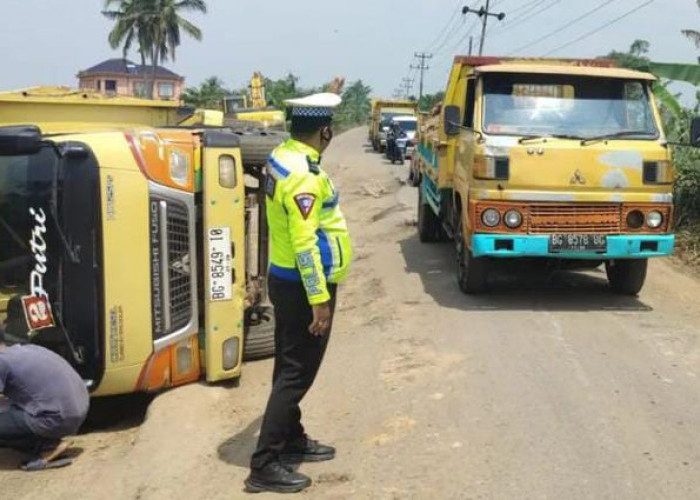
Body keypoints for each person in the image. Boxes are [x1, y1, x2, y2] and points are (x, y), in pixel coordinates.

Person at [245, 92, 352, 494]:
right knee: (296, 373)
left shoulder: (282, 156)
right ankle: (264, 464)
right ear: (325, 131)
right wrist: (319, 298)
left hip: (284, 278)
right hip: (304, 285)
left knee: (288, 364)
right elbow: (306, 242)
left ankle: (290, 437)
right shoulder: (304, 175)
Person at [0, 317, 89, 471]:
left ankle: (47, 446)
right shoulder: (28, 349)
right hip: (79, 408)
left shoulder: (3, 362)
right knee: (9, 407)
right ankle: (45, 439)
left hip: (59, 419)